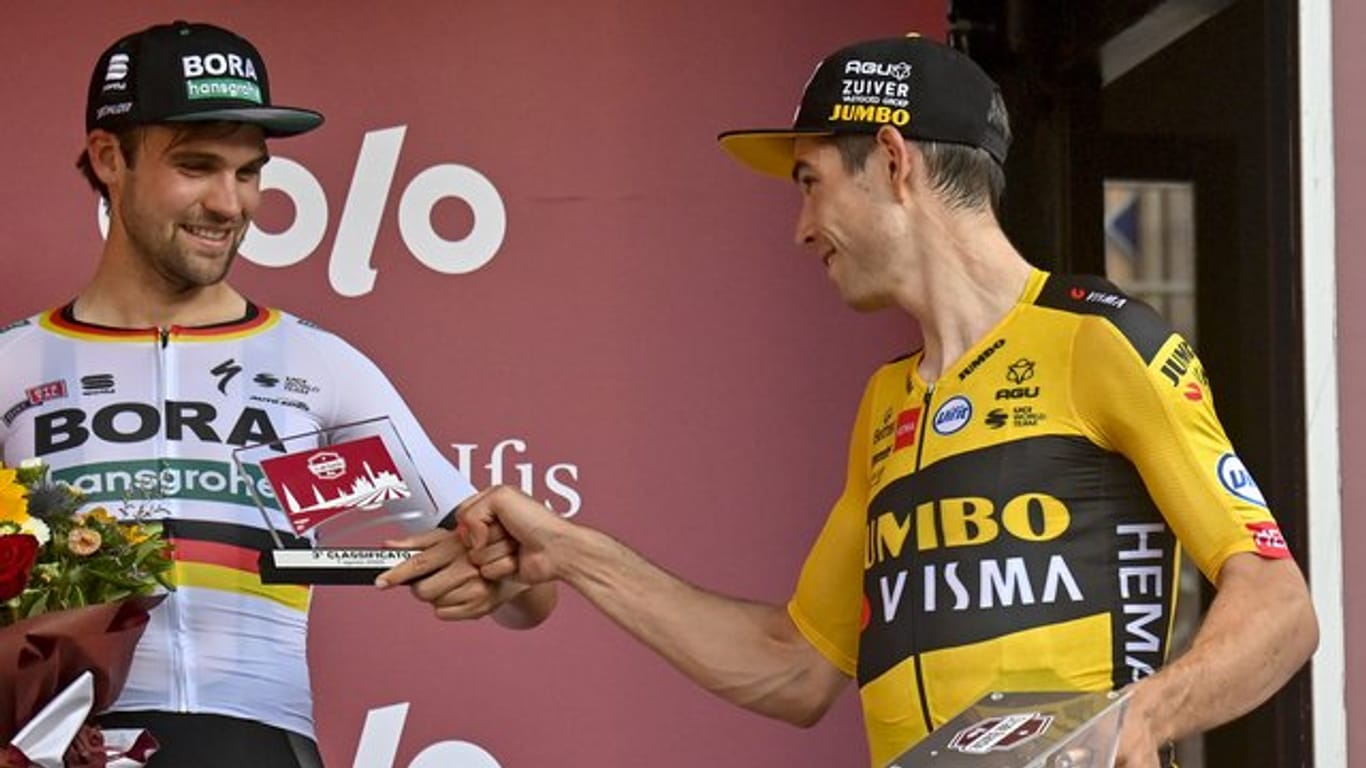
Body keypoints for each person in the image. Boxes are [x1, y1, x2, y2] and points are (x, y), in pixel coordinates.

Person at [378, 34, 1317, 768]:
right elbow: (793, 665)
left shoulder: (1096, 337)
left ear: (895, 159)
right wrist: (570, 552)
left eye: (810, 183)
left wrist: (1143, 716)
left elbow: (1279, 604)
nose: (800, 230)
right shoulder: (885, 404)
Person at [0, 20, 556, 768]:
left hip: (257, 741)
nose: (230, 205)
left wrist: (502, 578)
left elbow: (527, 596)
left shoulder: (319, 366)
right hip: (57, 745)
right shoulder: (13, 363)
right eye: (196, 166)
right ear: (108, 157)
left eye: (249, 172)